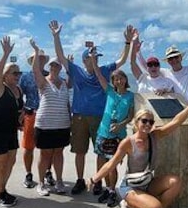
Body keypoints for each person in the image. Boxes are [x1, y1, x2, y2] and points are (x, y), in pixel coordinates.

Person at [90, 90, 188, 208]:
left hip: (147, 181)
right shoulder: (128, 143)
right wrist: (94, 180)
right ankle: (130, 205)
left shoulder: (155, 135)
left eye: (151, 121)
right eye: (144, 121)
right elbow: (110, 164)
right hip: (130, 186)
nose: (148, 124)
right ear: (136, 122)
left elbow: (175, 122)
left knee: (176, 182)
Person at [49, 20, 130, 195]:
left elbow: (122, 60)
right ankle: (80, 180)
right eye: (92, 57)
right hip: (79, 117)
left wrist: (128, 43)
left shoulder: (105, 70)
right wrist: (56, 36)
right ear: (84, 59)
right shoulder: (76, 70)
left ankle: (99, 181)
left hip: (100, 119)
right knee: (80, 152)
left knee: (101, 153)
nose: (95, 60)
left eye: (97, 58)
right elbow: (61, 55)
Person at [89, 49, 135, 207]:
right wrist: (94, 61)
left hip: (117, 135)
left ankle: (111, 191)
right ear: (113, 82)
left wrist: (120, 125)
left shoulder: (130, 96)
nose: (118, 81)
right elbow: (98, 75)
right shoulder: (109, 91)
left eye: (121, 78)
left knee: (112, 164)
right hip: (102, 132)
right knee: (101, 159)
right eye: (115, 79)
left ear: (125, 80)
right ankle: (102, 186)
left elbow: (131, 116)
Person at [28, 39, 71, 196]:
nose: (54, 67)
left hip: (63, 124)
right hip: (45, 124)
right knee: (45, 154)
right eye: (52, 65)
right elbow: (35, 71)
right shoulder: (43, 82)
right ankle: (41, 183)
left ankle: (59, 181)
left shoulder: (65, 83)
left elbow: (67, 103)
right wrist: (37, 52)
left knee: (59, 153)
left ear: (60, 68)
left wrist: (70, 121)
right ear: (49, 67)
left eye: (57, 65)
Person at [138, 20, 188, 101]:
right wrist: (138, 52)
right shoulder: (165, 72)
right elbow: (147, 67)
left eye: (176, 57)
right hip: (175, 112)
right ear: (167, 61)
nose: (174, 60)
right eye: (171, 58)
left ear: (181, 58)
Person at [0, 36, 25, 207]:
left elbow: (18, 108)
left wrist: (22, 114)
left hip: (11, 131)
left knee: (11, 161)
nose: (18, 75)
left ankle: (2, 189)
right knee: (1, 163)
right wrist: (5, 54)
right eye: (14, 73)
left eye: (19, 73)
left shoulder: (17, 89)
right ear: (4, 75)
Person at [19, 48, 52, 189]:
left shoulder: (50, 75)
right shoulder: (25, 77)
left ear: (45, 61)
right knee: (28, 146)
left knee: (48, 146)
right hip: (30, 114)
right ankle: (28, 173)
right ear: (32, 61)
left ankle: (47, 172)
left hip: (47, 115)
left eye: (41, 58)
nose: (39, 60)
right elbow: (18, 96)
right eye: (36, 58)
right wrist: (19, 114)